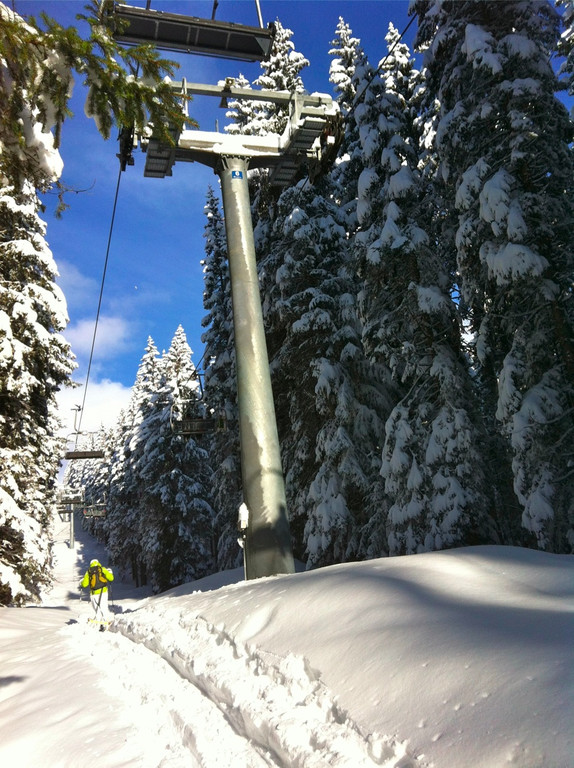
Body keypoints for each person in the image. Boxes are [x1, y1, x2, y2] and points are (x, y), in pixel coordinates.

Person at [79, 558, 114, 629]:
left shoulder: (88, 572)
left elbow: (85, 584)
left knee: (97, 609)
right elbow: (111, 578)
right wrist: (110, 573)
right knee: (104, 607)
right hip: (103, 592)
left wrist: (81, 583)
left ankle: (99, 624)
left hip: (93, 594)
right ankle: (106, 623)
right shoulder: (102, 569)